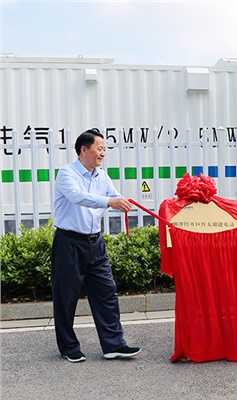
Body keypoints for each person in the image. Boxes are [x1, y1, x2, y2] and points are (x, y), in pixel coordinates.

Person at [51, 128, 141, 363]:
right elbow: (78, 197)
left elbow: (114, 195)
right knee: (66, 297)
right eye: (99, 148)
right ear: (84, 149)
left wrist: (122, 201)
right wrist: (110, 201)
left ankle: (114, 345)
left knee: (106, 293)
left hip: (95, 244)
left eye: (104, 149)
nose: (103, 153)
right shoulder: (67, 173)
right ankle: (68, 347)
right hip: (69, 243)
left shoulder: (102, 175)